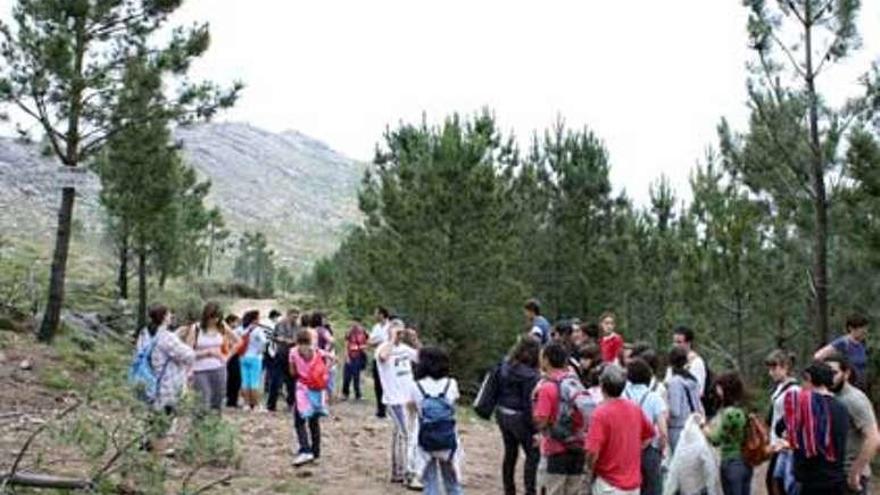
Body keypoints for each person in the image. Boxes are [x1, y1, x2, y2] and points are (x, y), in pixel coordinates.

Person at [135, 304, 196, 453]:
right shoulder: (166, 337)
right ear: (163, 317)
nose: (171, 317)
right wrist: (188, 340)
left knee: (152, 412)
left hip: (149, 378)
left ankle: (147, 442)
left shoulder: (145, 333)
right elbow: (188, 355)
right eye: (169, 314)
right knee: (166, 414)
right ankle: (159, 449)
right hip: (167, 381)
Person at [586, 365, 655, 495]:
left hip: (608, 483)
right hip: (633, 484)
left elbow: (592, 452)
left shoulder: (600, 413)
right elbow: (649, 435)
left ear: (601, 384)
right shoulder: (634, 408)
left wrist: (590, 469)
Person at [784, 361, 849, 495]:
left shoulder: (804, 406)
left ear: (809, 378)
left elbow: (787, 433)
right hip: (836, 481)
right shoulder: (842, 408)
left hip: (810, 482)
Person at [532, 341, 588, 495]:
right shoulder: (574, 382)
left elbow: (541, 419)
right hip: (578, 447)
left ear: (546, 360)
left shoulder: (547, 387)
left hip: (556, 450)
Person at [407, 346, 463, 495]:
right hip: (448, 438)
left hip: (425, 438)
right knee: (452, 482)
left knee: (430, 483)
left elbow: (412, 410)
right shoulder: (451, 384)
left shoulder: (416, 386)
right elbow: (453, 410)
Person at [825, 352, 880, 495]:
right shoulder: (831, 396)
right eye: (826, 372)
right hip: (833, 475)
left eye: (834, 372)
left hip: (850, 476)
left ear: (847, 373)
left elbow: (873, 438)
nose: (829, 377)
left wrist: (855, 472)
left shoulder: (855, 399)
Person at [377, 320, 421, 487]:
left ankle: (398, 472)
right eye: (397, 331)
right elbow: (382, 357)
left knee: (401, 435)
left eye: (401, 332)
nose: (399, 335)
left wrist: (415, 340)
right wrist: (391, 339)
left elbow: (423, 358)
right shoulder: (383, 348)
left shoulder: (405, 349)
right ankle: (410, 474)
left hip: (409, 399)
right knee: (407, 435)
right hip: (394, 400)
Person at [496, 337, 542, 495]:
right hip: (519, 417)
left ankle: (509, 490)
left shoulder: (504, 365)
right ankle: (530, 491)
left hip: (502, 413)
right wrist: (535, 429)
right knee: (533, 454)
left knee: (510, 453)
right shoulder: (531, 376)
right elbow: (528, 405)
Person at [179, 302, 238, 413]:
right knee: (203, 402)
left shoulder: (222, 327)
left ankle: (215, 427)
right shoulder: (196, 328)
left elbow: (238, 342)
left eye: (217, 317)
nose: (214, 320)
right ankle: (200, 427)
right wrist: (206, 353)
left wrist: (227, 357)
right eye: (211, 317)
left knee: (217, 400)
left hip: (219, 368)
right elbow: (186, 352)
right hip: (199, 370)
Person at [701, 372, 751, 495]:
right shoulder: (743, 409)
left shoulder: (729, 414)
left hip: (731, 461)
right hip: (746, 460)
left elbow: (716, 439)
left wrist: (704, 428)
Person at [623, 358, 667, 495]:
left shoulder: (622, 395)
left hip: (627, 448)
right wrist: (661, 447)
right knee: (653, 487)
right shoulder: (654, 397)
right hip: (650, 449)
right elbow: (662, 430)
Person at [289, 330, 330, 466]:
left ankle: (305, 450)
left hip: (303, 389)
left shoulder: (293, 352)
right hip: (317, 390)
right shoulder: (316, 351)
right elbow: (331, 360)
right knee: (314, 421)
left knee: (299, 420)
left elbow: (292, 372)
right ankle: (316, 451)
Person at [765, 350, 799, 495]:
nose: (771, 372)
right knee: (773, 482)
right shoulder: (780, 388)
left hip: (784, 447)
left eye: (774, 368)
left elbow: (795, 420)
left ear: (785, 367)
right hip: (776, 443)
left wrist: (786, 441)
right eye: (770, 368)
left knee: (779, 484)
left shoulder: (794, 390)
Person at [815, 314, 870, 390]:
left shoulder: (862, 343)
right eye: (862, 328)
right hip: (848, 388)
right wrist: (836, 369)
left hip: (861, 386)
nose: (865, 331)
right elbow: (818, 356)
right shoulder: (843, 342)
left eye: (865, 328)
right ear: (851, 328)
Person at [667, 345, 703, 452]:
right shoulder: (693, 380)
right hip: (694, 427)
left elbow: (675, 410)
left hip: (678, 429)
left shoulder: (675, 382)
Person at [266, 308, 299, 412]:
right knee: (276, 380)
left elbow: (296, 339)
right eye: (293, 316)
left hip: (292, 356)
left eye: (297, 316)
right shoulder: (281, 324)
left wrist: (292, 341)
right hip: (281, 354)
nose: (295, 318)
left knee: (292, 381)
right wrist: (287, 341)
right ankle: (271, 405)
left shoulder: (297, 326)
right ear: (288, 315)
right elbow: (278, 338)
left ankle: (291, 403)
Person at [236, 310, 268, 411]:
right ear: (254, 319)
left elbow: (233, 338)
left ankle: (246, 404)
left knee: (245, 381)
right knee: (254, 382)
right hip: (255, 358)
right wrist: (260, 350)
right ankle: (256, 405)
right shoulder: (258, 330)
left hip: (243, 357)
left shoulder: (240, 329)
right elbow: (264, 342)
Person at [665, 326, 708, 395]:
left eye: (679, 342)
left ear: (688, 343)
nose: (675, 345)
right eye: (674, 342)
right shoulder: (673, 361)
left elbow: (698, 389)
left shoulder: (696, 362)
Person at [369, 306, 392, 418]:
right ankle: (380, 410)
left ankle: (390, 408)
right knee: (378, 384)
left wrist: (379, 341)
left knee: (389, 384)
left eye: (376, 313)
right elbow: (371, 341)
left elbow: (391, 341)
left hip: (389, 359)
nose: (374, 315)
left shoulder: (391, 326)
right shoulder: (376, 327)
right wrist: (381, 341)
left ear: (382, 314)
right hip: (377, 358)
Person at [342, 317, 368, 401]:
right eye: (352, 323)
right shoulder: (349, 333)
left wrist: (363, 347)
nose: (353, 325)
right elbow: (345, 344)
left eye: (355, 323)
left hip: (359, 356)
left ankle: (358, 394)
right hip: (350, 355)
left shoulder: (364, 332)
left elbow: (368, 343)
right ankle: (345, 393)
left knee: (357, 376)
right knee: (347, 376)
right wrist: (346, 356)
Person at [224, 314, 242, 408]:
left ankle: (232, 400)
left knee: (235, 379)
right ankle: (230, 400)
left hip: (234, 356)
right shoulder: (226, 331)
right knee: (232, 379)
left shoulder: (233, 332)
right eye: (235, 322)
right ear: (230, 322)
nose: (237, 324)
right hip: (229, 356)